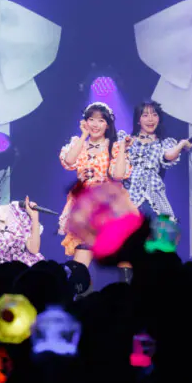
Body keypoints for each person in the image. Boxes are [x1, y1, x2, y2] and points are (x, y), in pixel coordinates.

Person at [58, 102, 133, 270]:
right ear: (85, 122)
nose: (95, 124)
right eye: (91, 119)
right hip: (84, 207)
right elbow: (69, 161)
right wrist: (84, 135)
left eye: (101, 120)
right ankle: (80, 285)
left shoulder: (114, 146)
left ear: (108, 125)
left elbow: (118, 175)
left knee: (123, 260)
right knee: (80, 263)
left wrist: (122, 148)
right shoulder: (78, 143)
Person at [125, 100, 192, 220]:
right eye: (145, 115)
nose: (150, 119)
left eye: (154, 115)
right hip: (129, 191)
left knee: (161, 227)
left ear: (159, 119)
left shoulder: (162, 143)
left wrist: (181, 144)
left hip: (152, 192)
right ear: (138, 120)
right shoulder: (127, 141)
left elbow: (169, 156)